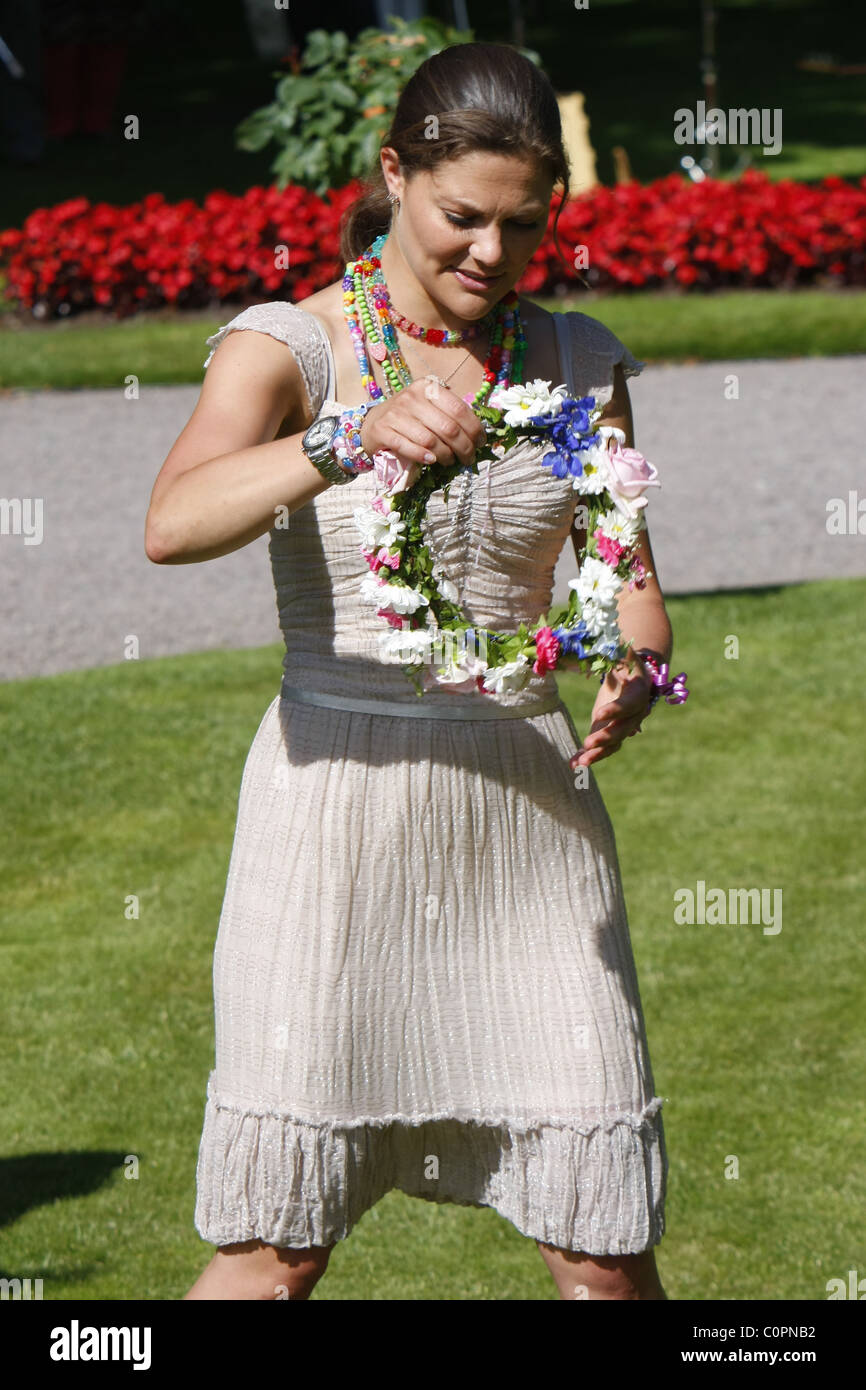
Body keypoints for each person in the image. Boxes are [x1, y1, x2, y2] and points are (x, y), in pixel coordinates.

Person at [145, 41, 674, 1302]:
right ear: (394, 177)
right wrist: (340, 438)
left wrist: (636, 660)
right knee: (279, 1248)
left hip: (526, 816)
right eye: (461, 219)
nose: (492, 254)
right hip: (335, 813)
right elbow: (171, 522)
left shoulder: (577, 359)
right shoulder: (289, 348)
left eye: (524, 226)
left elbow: (628, 571)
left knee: (600, 1249)